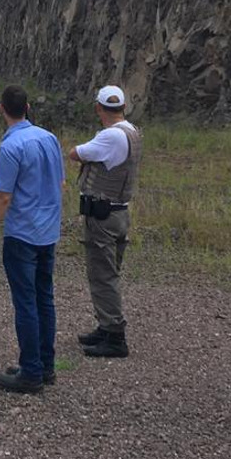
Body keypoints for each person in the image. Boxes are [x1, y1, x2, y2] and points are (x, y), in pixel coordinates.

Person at [0, 85, 65, 393]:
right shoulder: (49, 138)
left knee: (26, 302)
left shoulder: (11, 146)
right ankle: (45, 366)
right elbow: (60, 182)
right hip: (48, 233)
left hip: (22, 234)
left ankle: (30, 373)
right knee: (45, 298)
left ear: (1, 109)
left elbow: (2, 196)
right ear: (27, 107)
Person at [67, 85, 142, 359]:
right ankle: (105, 326)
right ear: (123, 107)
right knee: (109, 273)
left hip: (102, 215)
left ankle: (114, 335)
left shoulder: (110, 136)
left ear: (99, 108)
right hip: (119, 212)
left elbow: (75, 152)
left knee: (103, 276)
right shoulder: (132, 132)